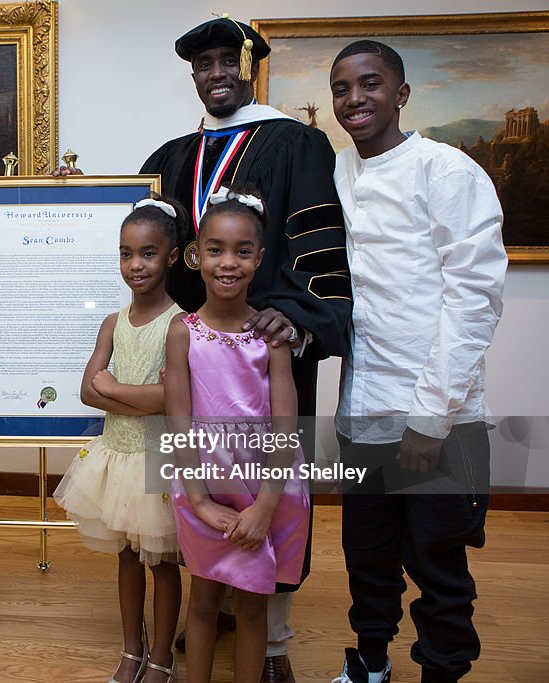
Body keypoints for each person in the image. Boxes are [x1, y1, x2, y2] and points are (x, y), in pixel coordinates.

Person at [138, 17, 352, 681]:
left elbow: (317, 243)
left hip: (266, 350)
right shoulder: (173, 155)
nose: (217, 72)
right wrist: (74, 190)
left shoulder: (297, 143)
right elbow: (140, 232)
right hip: (196, 352)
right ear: (194, 74)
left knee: (274, 496)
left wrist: (296, 321)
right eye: (204, 63)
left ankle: (275, 639)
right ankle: (214, 603)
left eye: (228, 59)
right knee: (196, 478)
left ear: (248, 65)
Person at [329, 41, 505, 683]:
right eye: (342, 88)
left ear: (401, 94)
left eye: (370, 84)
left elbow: (475, 302)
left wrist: (431, 417)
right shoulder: (340, 172)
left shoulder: (448, 171)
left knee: (437, 564)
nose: (355, 100)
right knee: (367, 557)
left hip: (440, 416)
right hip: (362, 410)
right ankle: (369, 663)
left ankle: (442, 670)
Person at [164, 188, 310, 683]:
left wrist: (266, 505)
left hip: (265, 484)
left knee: (252, 606)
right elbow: (178, 419)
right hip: (203, 482)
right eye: (216, 250)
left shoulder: (272, 336)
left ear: (260, 258)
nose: (228, 263)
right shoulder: (182, 331)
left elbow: (287, 423)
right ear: (196, 254)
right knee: (202, 600)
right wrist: (201, 503)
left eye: (242, 251)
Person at [54, 196, 188, 683]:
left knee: (163, 563)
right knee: (128, 557)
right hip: (116, 458)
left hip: (158, 461)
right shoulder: (112, 322)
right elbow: (88, 392)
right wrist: (131, 395)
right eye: (126, 253)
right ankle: (133, 648)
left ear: (171, 256)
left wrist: (114, 387)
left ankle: (162, 658)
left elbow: (172, 401)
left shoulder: (181, 324)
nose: (136, 265)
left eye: (148, 253)